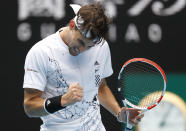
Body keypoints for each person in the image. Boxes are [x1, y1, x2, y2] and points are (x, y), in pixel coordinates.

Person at [23, 3, 143, 131]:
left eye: (89, 46)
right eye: (80, 42)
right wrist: (62, 100)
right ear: (71, 25)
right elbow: (30, 107)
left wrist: (119, 113)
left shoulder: (101, 48)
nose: (81, 50)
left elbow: (100, 87)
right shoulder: (41, 52)